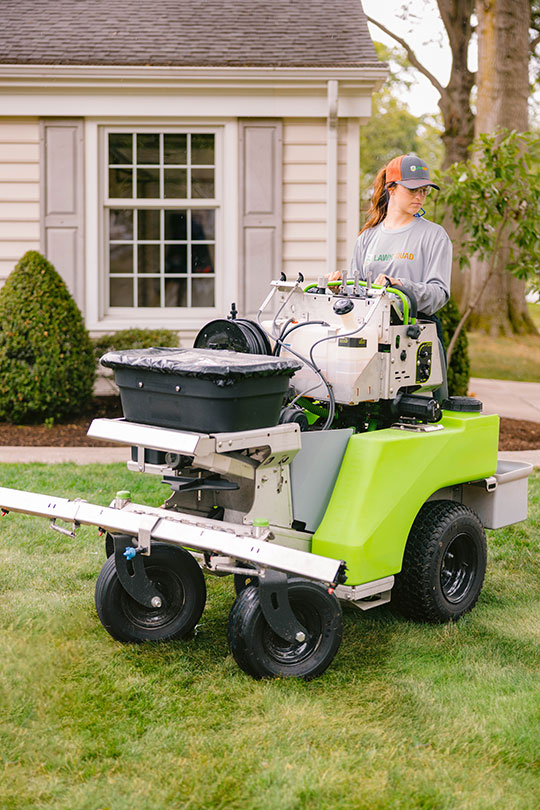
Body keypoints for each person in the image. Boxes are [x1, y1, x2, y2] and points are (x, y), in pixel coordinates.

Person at [331, 154, 451, 318]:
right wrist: (339, 288)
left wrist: (401, 285)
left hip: (413, 332)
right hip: (368, 329)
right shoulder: (367, 237)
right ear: (391, 189)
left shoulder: (434, 236)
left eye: (424, 190)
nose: (419, 196)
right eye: (412, 189)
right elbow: (357, 292)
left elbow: (439, 294)